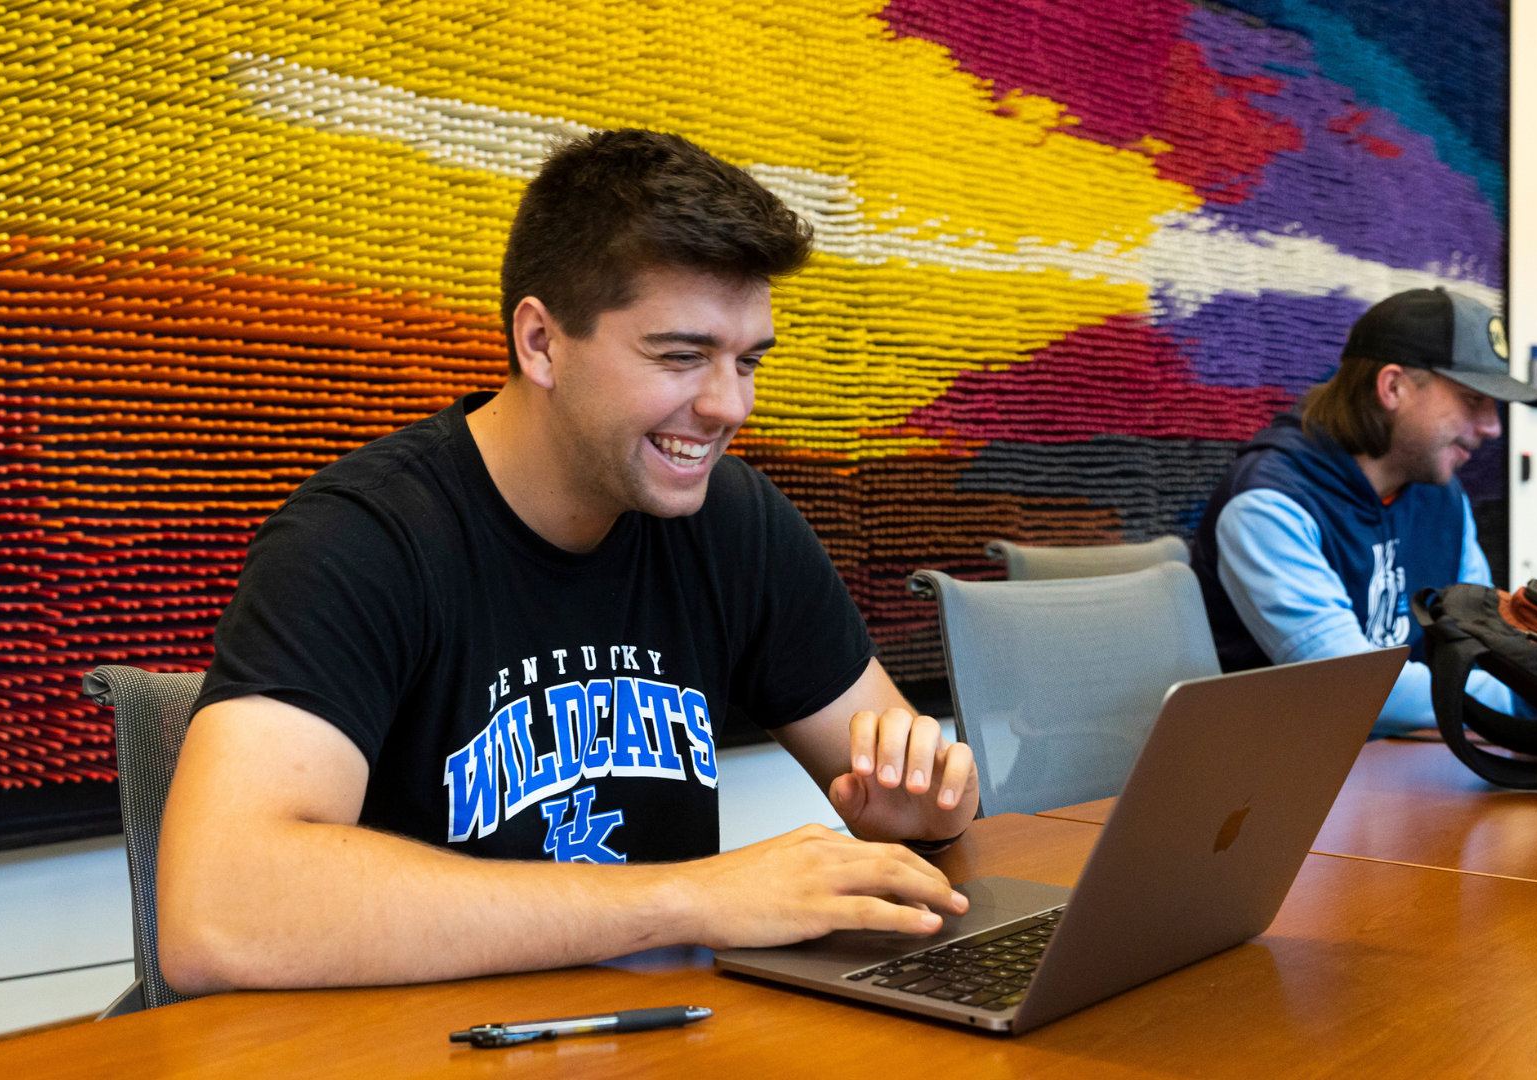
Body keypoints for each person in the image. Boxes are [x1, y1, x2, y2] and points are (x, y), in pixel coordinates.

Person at [155, 130, 980, 995]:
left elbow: (900, 782)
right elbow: (220, 912)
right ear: (541, 342)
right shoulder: (361, 541)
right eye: (681, 356)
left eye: (747, 362)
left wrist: (926, 812)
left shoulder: (733, 520)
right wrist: (685, 897)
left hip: (674, 1040)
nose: (727, 405)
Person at [1190, 287, 1537, 732]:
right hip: (1286, 779)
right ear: (1393, 387)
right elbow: (1353, 686)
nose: (1493, 426)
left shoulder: (1442, 494)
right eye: (1472, 398)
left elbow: (1483, 635)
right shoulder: (1268, 505)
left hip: (1409, 762)